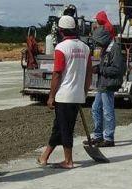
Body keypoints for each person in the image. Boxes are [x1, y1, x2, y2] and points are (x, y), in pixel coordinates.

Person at [36, 15, 92, 169]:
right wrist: (84, 92)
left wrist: (51, 96)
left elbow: (57, 74)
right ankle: (44, 157)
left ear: (61, 31)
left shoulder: (61, 48)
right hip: (77, 95)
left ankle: (68, 161)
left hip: (64, 95)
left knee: (65, 128)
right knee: (59, 127)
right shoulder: (85, 48)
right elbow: (89, 73)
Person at [90, 11, 123, 147]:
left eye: (99, 42)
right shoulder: (105, 49)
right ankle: (98, 136)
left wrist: (100, 69)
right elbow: (105, 66)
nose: (98, 45)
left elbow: (117, 69)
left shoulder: (115, 49)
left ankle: (109, 138)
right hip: (102, 84)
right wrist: (98, 68)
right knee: (95, 108)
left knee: (107, 111)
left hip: (108, 84)